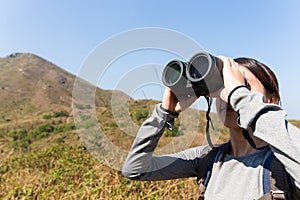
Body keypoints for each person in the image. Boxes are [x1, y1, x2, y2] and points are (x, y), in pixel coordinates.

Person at [122, 56, 300, 199]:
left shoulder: (285, 162)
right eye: (223, 87)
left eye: (243, 85)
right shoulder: (207, 158)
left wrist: (240, 96)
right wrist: (164, 113)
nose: (228, 96)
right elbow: (136, 169)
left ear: (271, 100)